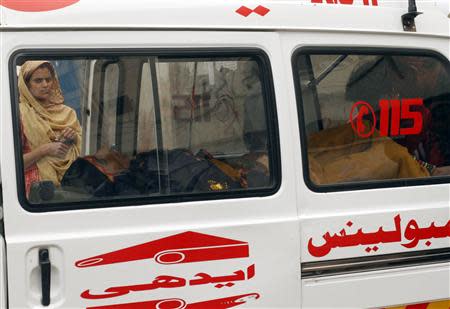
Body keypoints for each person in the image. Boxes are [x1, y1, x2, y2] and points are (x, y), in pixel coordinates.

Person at [18, 61, 82, 195]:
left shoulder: (68, 113)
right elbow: (12, 165)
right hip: (35, 194)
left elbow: (83, 150)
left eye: (48, 79)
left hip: (73, 187)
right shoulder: (20, 115)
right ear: (26, 85)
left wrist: (73, 138)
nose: (45, 84)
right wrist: (44, 150)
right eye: (38, 80)